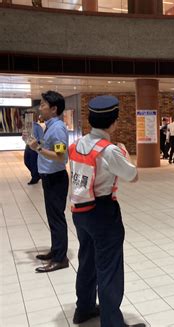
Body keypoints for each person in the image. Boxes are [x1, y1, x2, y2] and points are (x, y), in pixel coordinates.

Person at [69, 96, 145, 327]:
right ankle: (112, 323)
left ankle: (84, 308)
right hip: (102, 212)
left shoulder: (77, 144)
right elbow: (133, 176)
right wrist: (124, 153)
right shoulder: (110, 150)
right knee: (109, 268)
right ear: (113, 122)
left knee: (87, 259)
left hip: (79, 209)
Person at [27, 91, 69, 273]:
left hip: (56, 179)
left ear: (54, 109)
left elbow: (61, 157)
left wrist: (38, 147)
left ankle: (61, 258)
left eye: (43, 105)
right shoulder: (50, 126)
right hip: (49, 177)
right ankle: (56, 250)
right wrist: (35, 145)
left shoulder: (58, 128)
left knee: (57, 218)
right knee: (52, 218)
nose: (40, 108)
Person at [23, 110, 44, 185]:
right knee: (26, 162)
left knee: (33, 163)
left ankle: (35, 177)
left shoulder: (38, 127)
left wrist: (38, 146)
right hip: (28, 145)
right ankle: (37, 175)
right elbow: (25, 136)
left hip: (34, 146)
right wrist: (24, 138)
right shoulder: (26, 126)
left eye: (31, 115)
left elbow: (41, 138)